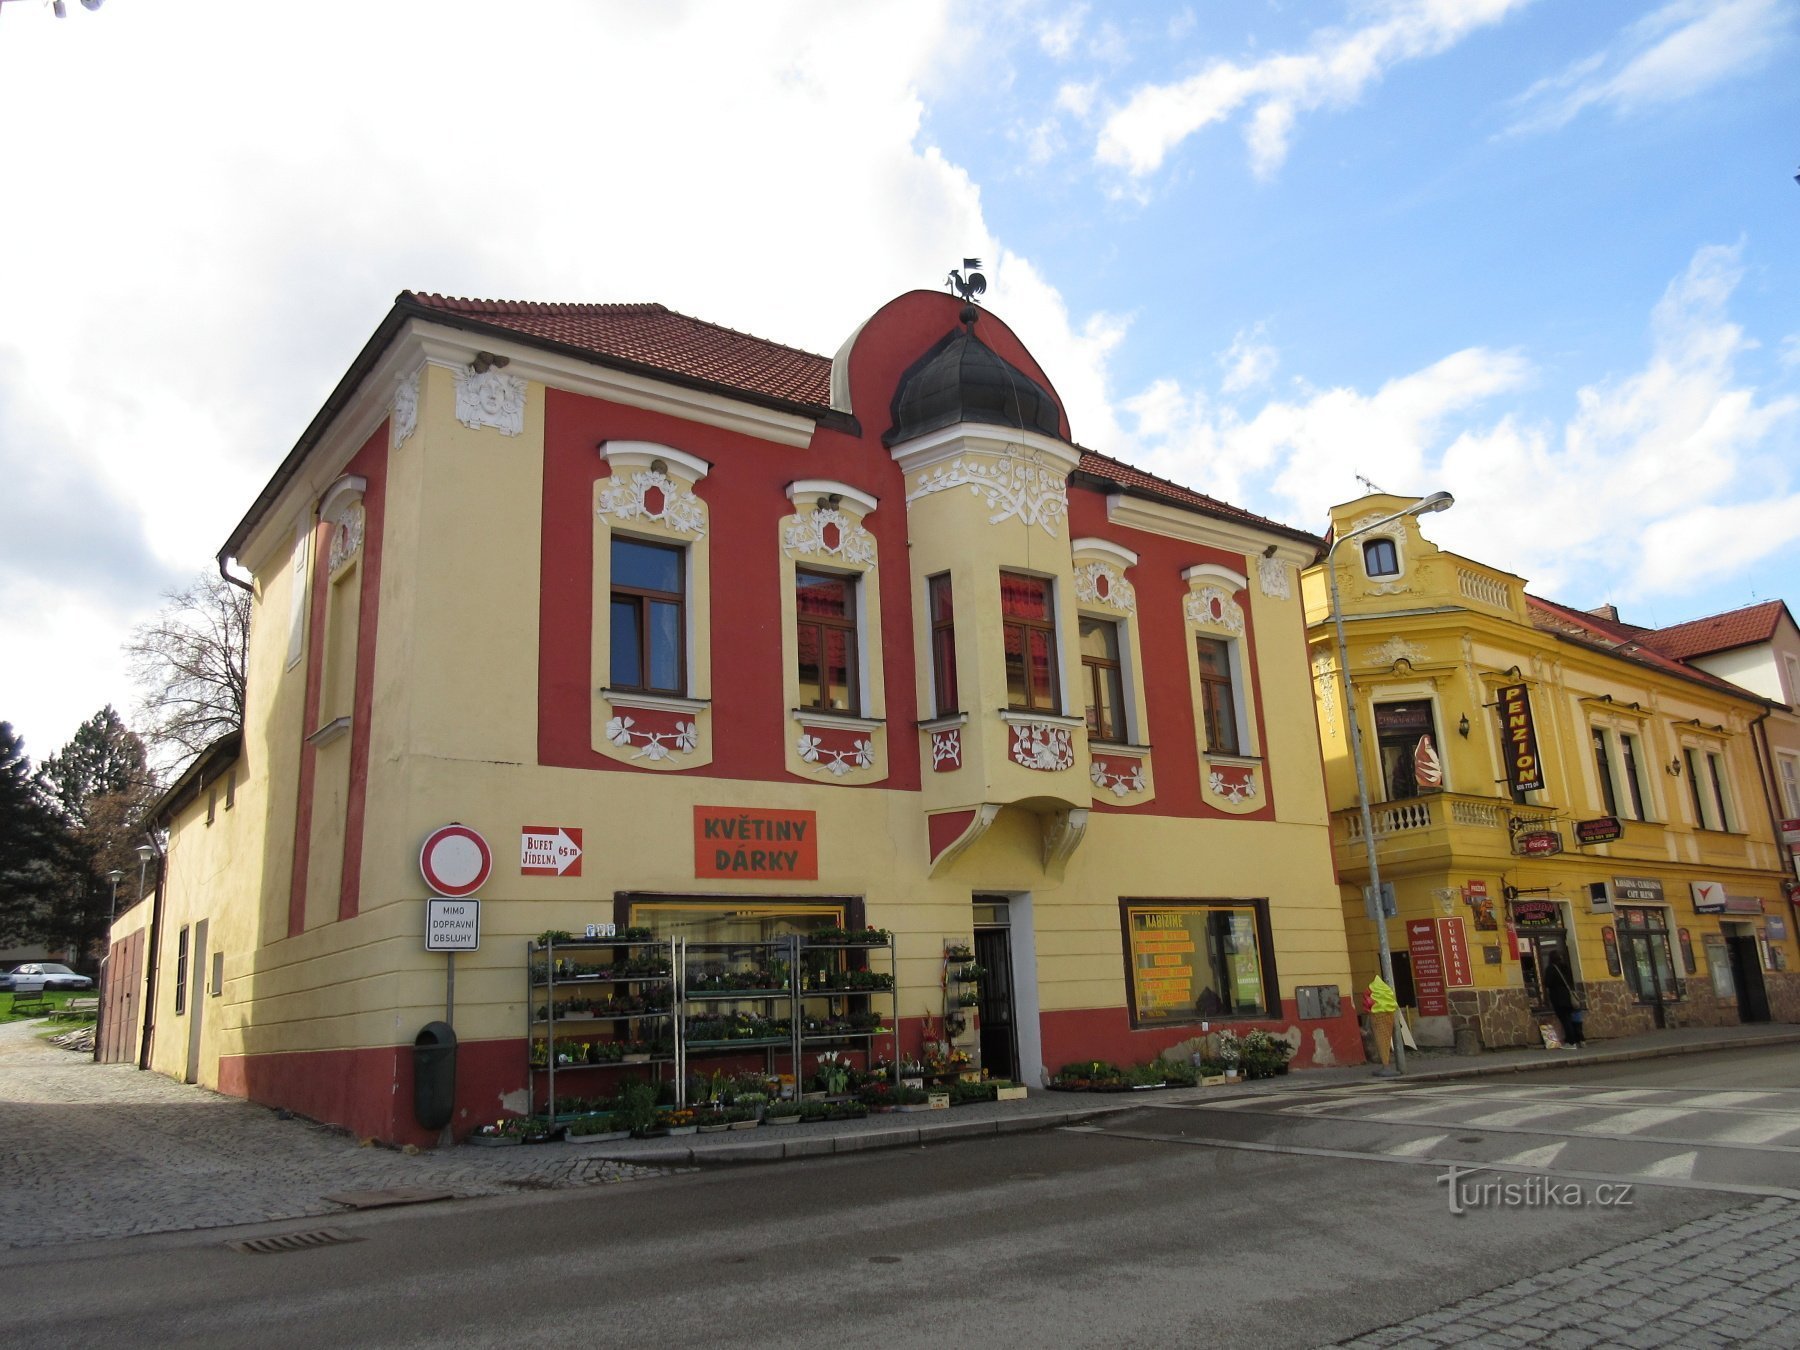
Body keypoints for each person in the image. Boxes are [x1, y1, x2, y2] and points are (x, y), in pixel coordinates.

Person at [1545, 960, 1585, 1048]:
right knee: (1573, 1020)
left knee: (1566, 1021)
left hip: (1559, 999)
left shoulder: (1551, 969)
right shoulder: (1565, 966)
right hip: (1569, 998)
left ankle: (1571, 1042)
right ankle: (1580, 1040)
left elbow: (1547, 983)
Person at [1366, 975, 1398, 1073]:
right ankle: (1385, 1063)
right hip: (1383, 1009)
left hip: (1380, 1010)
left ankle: (1385, 1064)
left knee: (1382, 1039)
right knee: (1383, 1039)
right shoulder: (1385, 991)